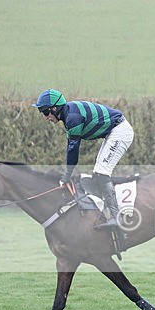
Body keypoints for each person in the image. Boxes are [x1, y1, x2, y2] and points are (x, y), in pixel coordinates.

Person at [32, 88, 134, 231]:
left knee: (102, 172)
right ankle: (108, 210)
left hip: (120, 131)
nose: (45, 117)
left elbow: (73, 150)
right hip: (114, 132)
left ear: (55, 108)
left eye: (45, 112)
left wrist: (67, 175)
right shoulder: (68, 115)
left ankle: (116, 216)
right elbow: (70, 147)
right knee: (98, 173)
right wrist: (67, 174)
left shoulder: (72, 118)